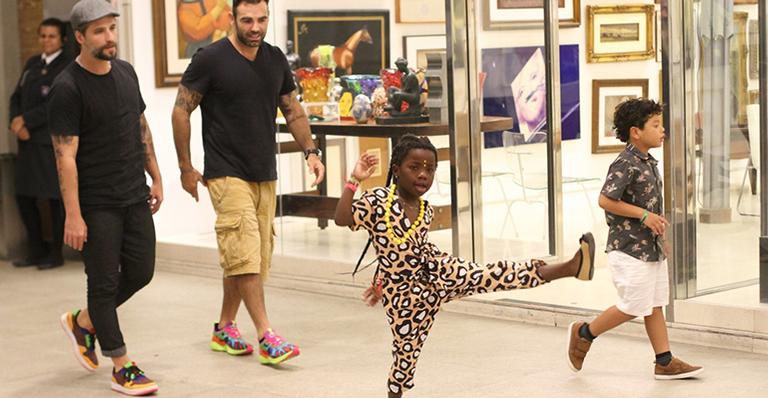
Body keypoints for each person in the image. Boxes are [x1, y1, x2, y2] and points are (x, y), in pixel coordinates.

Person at [334, 135, 596, 397]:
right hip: (404, 294)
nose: (423, 175)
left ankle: (571, 267)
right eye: (414, 168)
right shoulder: (379, 200)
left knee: (492, 274)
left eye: (430, 169)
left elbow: (407, 249)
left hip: (435, 269)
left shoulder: (425, 209)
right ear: (395, 170)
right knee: (406, 352)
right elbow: (343, 218)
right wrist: (354, 180)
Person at [171, 0, 325, 364]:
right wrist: (185, 167)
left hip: (263, 171)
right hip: (225, 172)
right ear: (231, 19)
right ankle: (266, 334)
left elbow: (292, 109)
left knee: (249, 257)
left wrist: (311, 152)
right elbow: (181, 109)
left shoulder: (273, 60)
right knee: (243, 250)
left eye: (261, 19)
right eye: (247, 20)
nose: (255, 27)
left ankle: (225, 326)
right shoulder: (210, 59)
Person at [49, 0, 162, 395]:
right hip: (97, 203)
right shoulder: (67, 88)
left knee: (141, 271)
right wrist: (73, 215)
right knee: (102, 283)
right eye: (98, 31)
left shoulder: (126, 73)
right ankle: (121, 364)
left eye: (111, 28)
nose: (109, 37)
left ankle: (84, 323)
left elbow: (140, 127)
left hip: (133, 193)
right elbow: (65, 157)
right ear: (80, 37)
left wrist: (157, 176)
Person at [566, 98, 703, 380]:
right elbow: (606, 199)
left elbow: (649, 205)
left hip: (649, 247)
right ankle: (584, 333)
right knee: (633, 306)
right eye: (655, 125)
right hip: (627, 249)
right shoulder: (625, 162)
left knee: (654, 303)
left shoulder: (648, 162)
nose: (662, 130)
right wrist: (644, 217)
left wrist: (658, 233)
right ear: (635, 132)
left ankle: (664, 361)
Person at [9, 18, 71, 270]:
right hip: (26, 143)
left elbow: (55, 104)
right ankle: (35, 249)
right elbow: (16, 96)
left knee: (54, 199)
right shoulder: (32, 64)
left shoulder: (66, 66)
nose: (46, 40)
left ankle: (55, 253)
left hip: (48, 143)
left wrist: (26, 120)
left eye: (51, 36)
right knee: (24, 197)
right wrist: (15, 121)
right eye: (42, 35)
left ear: (62, 40)